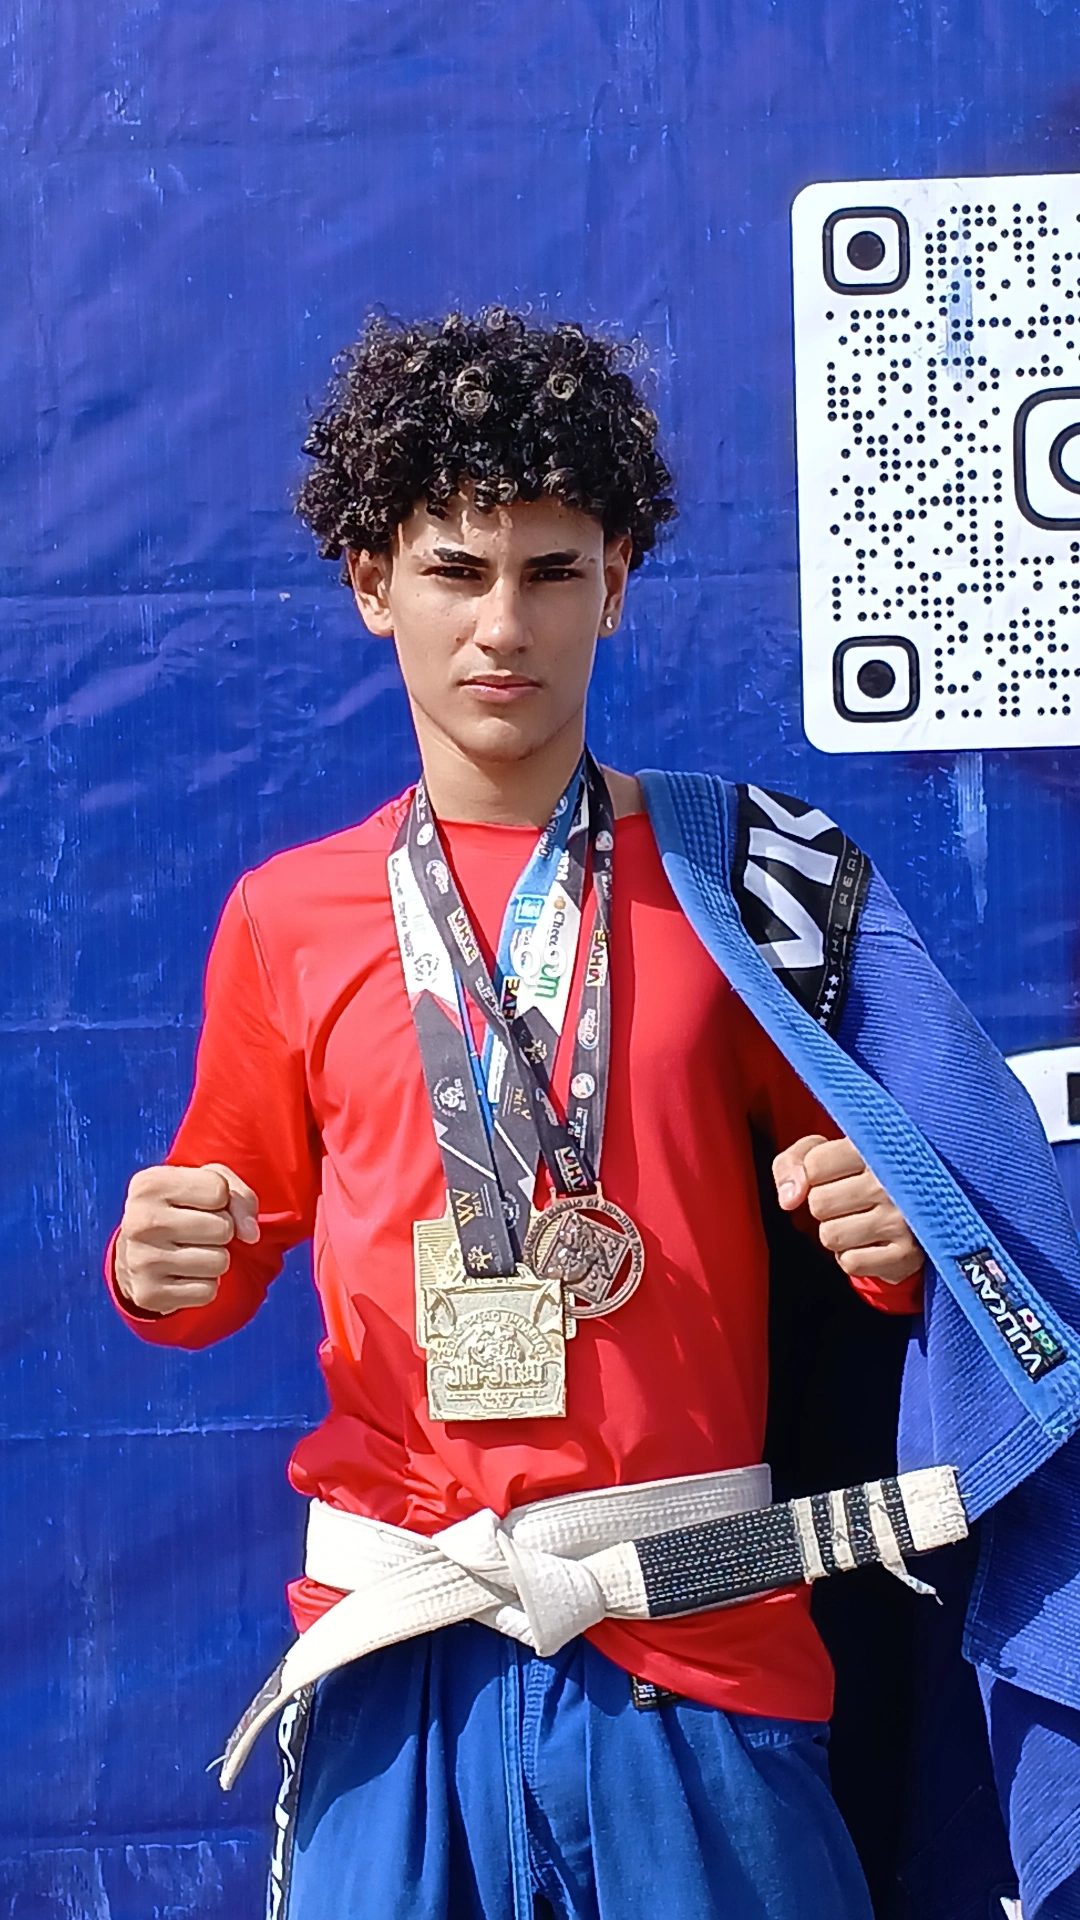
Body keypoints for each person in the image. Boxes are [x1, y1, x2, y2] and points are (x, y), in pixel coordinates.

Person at [106, 310, 1071, 1920]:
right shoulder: (286, 918)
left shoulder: (743, 890)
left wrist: (893, 1233)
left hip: (702, 1649)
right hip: (401, 1653)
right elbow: (217, 1253)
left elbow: (917, 1234)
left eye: (553, 571)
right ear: (371, 582)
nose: (505, 625)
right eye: (455, 569)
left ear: (617, 581)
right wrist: (162, 1268)